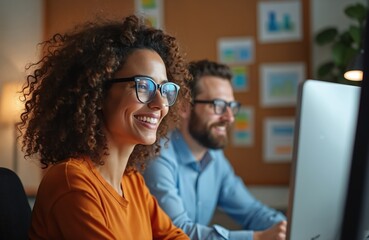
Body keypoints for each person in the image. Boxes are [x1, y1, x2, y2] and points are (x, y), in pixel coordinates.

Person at [19, 15, 191, 239]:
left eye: (165, 89)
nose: (160, 104)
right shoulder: (71, 183)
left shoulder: (131, 181)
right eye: (143, 86)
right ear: (99, 93)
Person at [143, 59, 287, 240]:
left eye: (232, 107)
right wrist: (256, 238)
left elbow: (251, 211)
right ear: (184, 107)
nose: (229, 118)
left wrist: (285, 228)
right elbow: (178, 231)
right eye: (218, 106)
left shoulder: (215, 158)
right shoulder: (158, 156)